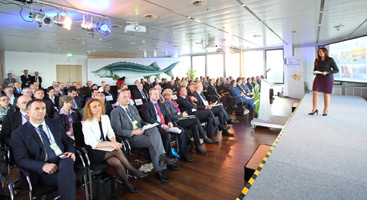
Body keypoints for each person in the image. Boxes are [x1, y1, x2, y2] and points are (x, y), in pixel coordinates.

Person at [11, 99, 76, 200]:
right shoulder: (19, 134)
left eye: (43, 108)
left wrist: (71, 152)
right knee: (68, 177)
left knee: (67, 161)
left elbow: (67, 141)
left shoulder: (54, 123)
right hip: (42, 172)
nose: (41, 111)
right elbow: (21, 160)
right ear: (28, 112)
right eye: (37, 109)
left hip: (62, 160)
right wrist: (43, 166)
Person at [110, 89, 177, 183]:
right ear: (118, 99)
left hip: (142, 131)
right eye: (124, 97)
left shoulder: (132, 107)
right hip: (131, 137)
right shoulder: (115, 112)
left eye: (128, 96)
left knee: (154, 129)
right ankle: (160, 169)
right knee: (154, 142)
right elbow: (117, 131)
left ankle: (162, 157)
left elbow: (141, 122)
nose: (127, 98)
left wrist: (147, 125)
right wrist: (134, 132)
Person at [82, 98, 146, 193]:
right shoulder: (86, 123)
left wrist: (114, 141)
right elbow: (92, 143)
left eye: (99, 105)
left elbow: (110, 133)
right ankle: (132, 169)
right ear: (89, 109)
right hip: (94, 151)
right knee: (117, 150)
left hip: (106, 147)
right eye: (94, 107)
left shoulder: (105, 117)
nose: (98, 108)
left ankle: (126, 182)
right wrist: (112, 144)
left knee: (116, 162)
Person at [141, 88, 193, 166]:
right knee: (166, 135)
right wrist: (161, 125)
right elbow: (148, 119)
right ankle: (169, 159)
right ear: (150, 95)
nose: (157, 95)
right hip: (156, 127)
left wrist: (169, 122)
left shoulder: (161, 104)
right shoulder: (145, 106)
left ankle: (183, 154)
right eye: (155, 94)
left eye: (158, 94)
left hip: (166, 125)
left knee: (181, 130)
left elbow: (166, 115)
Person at [162, 89, 217, 155]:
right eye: (169, 95)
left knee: (195, 126)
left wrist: (183, 113)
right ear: (165, 96)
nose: (171, 96)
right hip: (176, 121)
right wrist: (181, 115)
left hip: (181, 117)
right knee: (195, 120)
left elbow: (178, 111)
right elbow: (170, 116)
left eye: (171, 94)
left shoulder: (173, 102)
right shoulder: (165, 104)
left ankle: (197, 146)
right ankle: (204, 136)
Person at [310, 47, 339, 116]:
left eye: (322, 51)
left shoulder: (330, 60)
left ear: (325, 52)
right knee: (315, 92)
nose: (321, 53)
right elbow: (315, 69)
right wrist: (314, 72)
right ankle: (314, 109)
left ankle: (325, 110)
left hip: (328, 78)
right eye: (319, 51)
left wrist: (327, 72)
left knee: (326, 94)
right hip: (318, 78)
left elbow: (336, 70)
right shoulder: (316, 60)